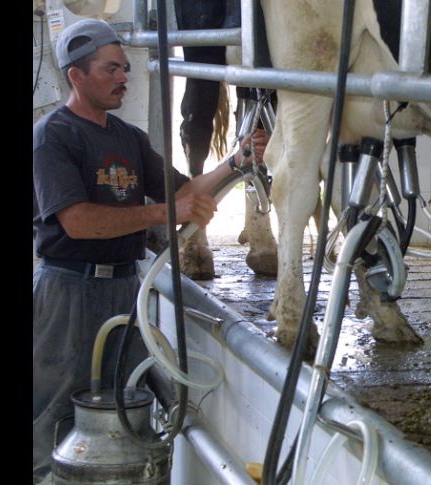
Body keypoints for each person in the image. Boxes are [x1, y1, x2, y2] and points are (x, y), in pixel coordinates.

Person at [32, 19, 268, 482]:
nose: (124, 77)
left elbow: (187, 191)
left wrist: (236, 162)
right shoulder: (53, 136)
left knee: (128, 400)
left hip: (123, 288)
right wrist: (164, 212)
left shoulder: (127, 137)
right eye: (111, 69)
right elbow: (76, 221)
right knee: (54, 412)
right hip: (67, 290)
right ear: (76, 76)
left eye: (125, 68)